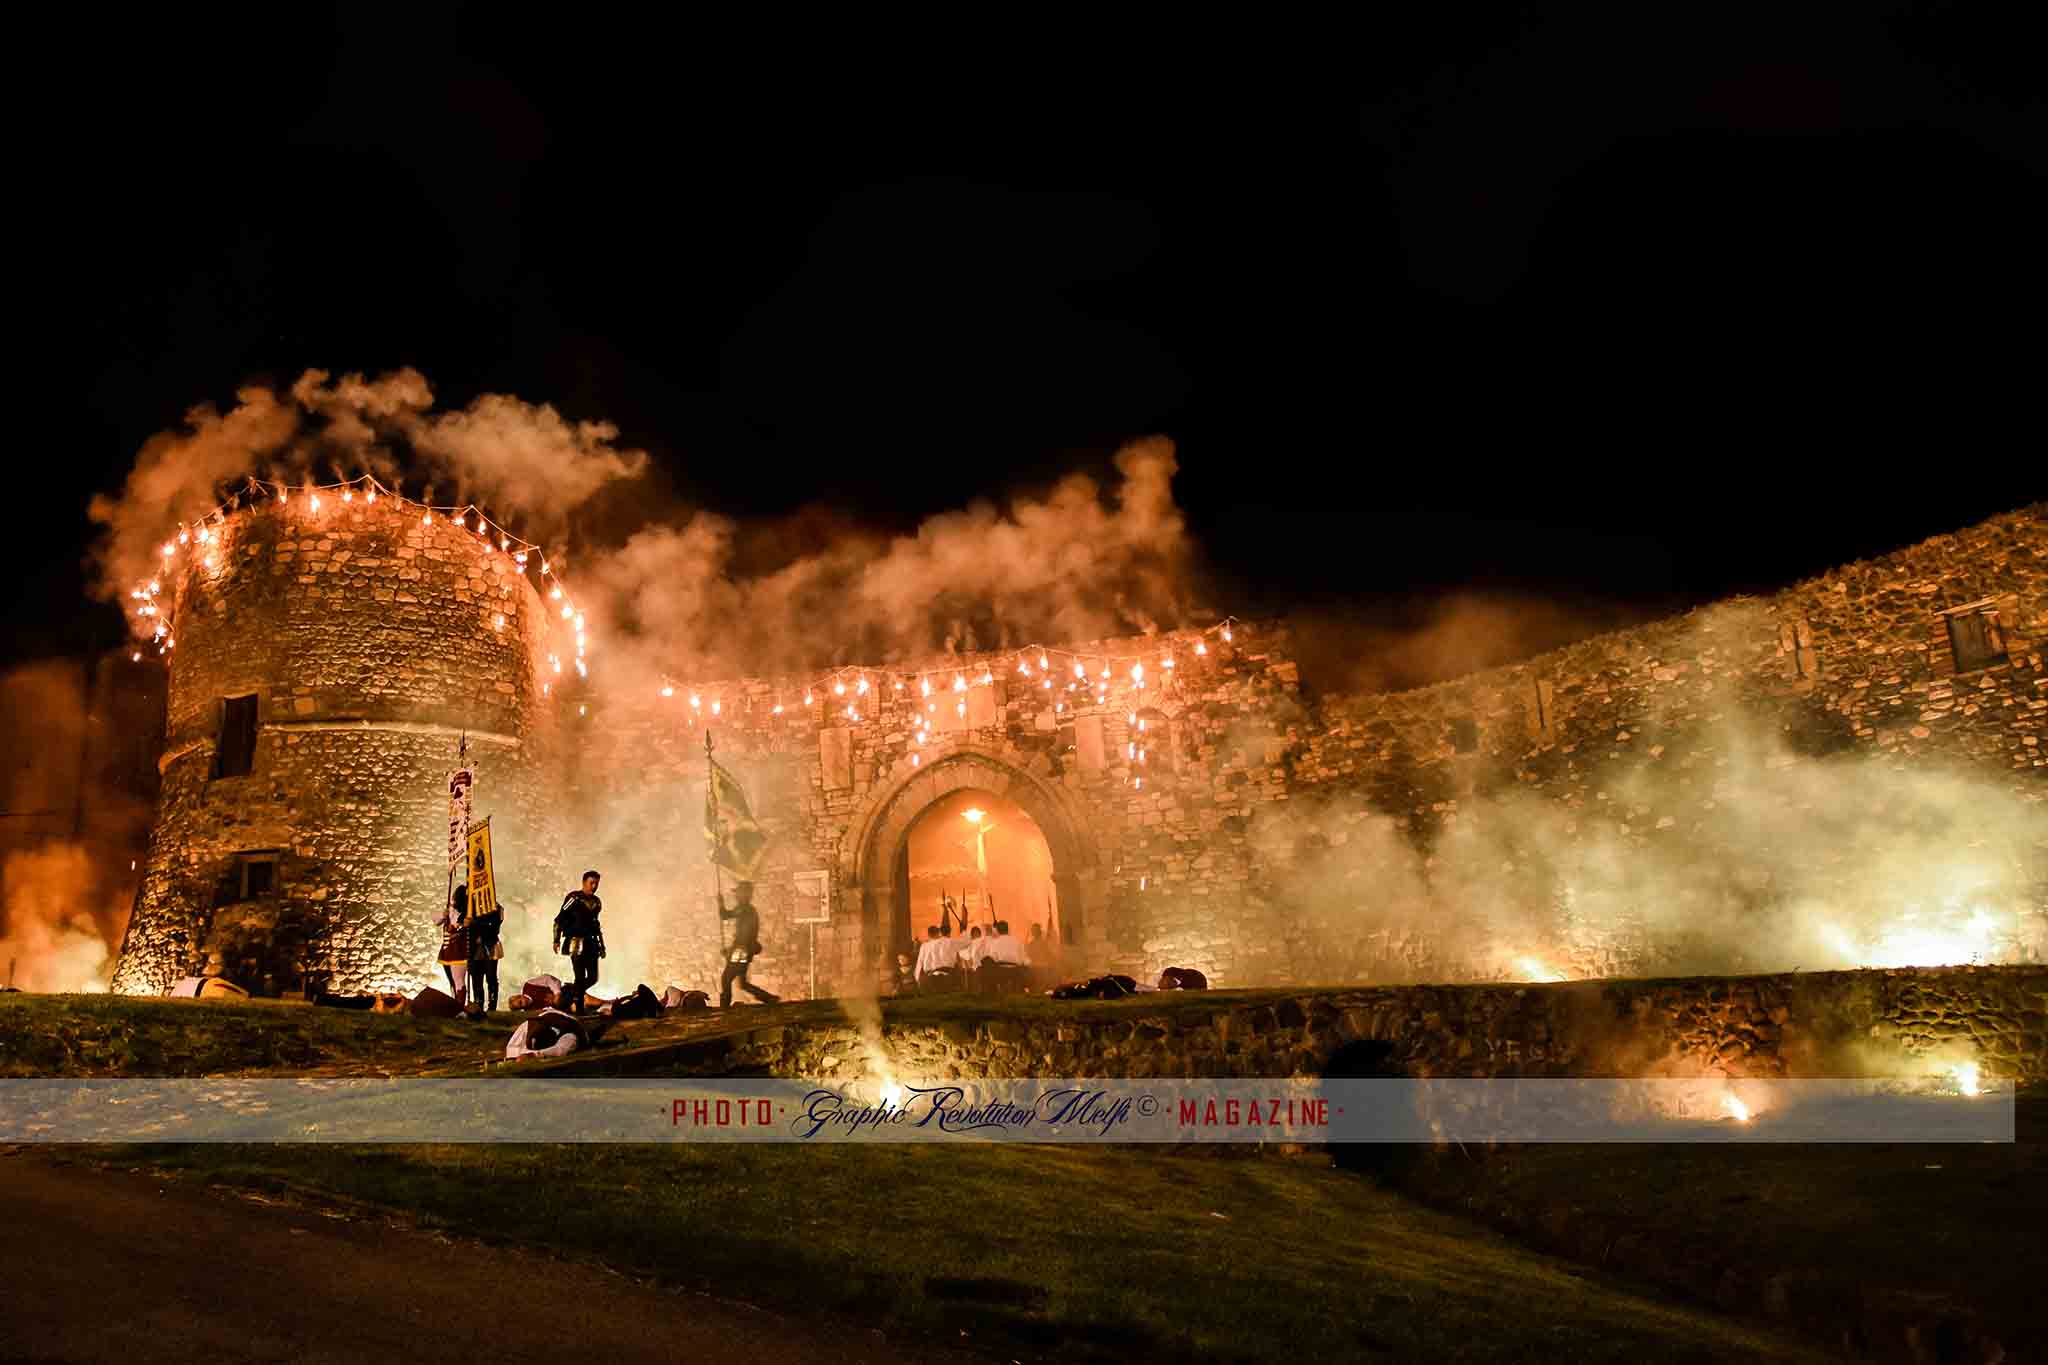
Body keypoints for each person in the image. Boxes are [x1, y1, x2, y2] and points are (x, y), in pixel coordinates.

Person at [718, 881, 780, 1008]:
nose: (736, 896)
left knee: (726, 978)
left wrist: (720, 903)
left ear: (745, 894)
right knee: (742, 983)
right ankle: (769, 998)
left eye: (739, 893)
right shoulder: (746, 909)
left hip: (741, 950)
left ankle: (724, 1008)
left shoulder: (745, 909)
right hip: (743, 950)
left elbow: (726, 917)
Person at [553, 871, 605, 1014]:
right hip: (576, 942)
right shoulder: (573, 898)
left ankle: (570, 991)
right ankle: (579, 1008)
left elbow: (596, 925)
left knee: (593, 978)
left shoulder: (596, 902)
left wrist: (601, 944)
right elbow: (559, 919)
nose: (594, 886)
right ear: (584, 882)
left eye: (596, 883)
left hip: (591, 943)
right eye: (591, 883)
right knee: (580, 976)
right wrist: (556, 939)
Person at [466, 897, 505, 1016]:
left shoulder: (495, 907)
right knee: (476, 977)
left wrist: (474, 923)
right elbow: (464, 921)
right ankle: (478, 1005)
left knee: (491, 976)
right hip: (474, 948)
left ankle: (492, 1007)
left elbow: (494, 924)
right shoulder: (470, 907)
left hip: (490, 944)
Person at [437, 884, 470, 1003]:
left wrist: (464, 925)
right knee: (452, 981)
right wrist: (443, 915)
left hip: (459, 950)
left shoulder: (468, 913)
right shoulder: (449, 910)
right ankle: (454, 1003)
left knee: (458, 980)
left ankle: (460, 1006)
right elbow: (436, 921)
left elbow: (461, 928)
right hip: (447, 950)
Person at [914, 923, 960, 991]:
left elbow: (919, 962)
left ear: (929, 935)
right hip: (946, 976)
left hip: (930, 977)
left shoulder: (924, 946)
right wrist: (963, 932)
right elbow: (966, 942)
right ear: (938, 933)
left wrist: (917, 978)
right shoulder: (948, 942)